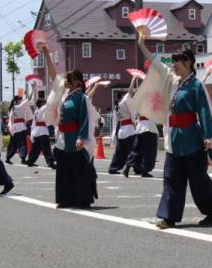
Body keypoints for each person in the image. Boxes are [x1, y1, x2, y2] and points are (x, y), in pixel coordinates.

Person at [132, 37, 212, 228]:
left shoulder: (196, 86)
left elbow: (205, 112)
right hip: (173, 138)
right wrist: (141, 45)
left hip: (192, 139)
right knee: (171, 177)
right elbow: (156, 65)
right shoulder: (172, 81)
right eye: (173, 62)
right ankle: (169, 217)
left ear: (188, 62)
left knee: (198, 180)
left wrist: (208, 137)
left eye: (177, 62)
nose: (174, 65)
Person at [52, 69, 98, 208]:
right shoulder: (66, 96)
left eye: (68, 79)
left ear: (77, 81)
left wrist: (81, 137)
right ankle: (65, 199)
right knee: (64, 169)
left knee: (78, 170)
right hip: (63, 137)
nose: (66, 81)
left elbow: (85, 119)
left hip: (75, 137)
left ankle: (82, 199)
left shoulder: (82, 98)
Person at [108, 78, 141, 176]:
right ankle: (137, 168)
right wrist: (133, 79)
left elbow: (115, 121)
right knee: (134, 150)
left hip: (121, 130)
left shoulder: (116, 106)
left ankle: (113, 167)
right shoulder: (124, 102)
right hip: (129, 129)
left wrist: (114, 134)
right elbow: (130, 91)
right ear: (122, 96)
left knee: (120, 152)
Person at [26, 98, 56, 169]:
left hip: (36, 131)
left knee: (35, 148)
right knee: (46, 148)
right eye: (44, 102)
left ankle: (30, 161)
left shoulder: (36, 111)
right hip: (43, 131)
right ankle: (50, 162)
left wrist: (32, 134)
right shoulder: (42, 109)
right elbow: (48, 105)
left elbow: (33, 124)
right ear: (42, 103)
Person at [5, 93, 32, 164]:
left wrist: (10, 128)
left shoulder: (12, 108)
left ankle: (8, 157)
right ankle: (23, 158)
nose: (21, 100)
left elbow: (10, 120)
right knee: (22, 143)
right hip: (20, 127)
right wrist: (33, 90)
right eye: (20, 99)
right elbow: (28, 99)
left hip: (14, 128)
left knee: (13, 144)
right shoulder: (20, 106)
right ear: (17, 100)